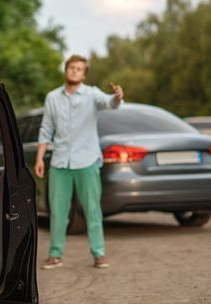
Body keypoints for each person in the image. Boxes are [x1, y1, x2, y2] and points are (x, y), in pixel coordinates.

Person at [34, 55, 124, 270]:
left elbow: (109, 103)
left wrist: (118, 97)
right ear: (66, 70)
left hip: (87, 161)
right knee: (58, 211)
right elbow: (46, 129)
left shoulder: (92, 94)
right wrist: (39, 158)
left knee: (93, 209)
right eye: (71, 68)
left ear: (84, 74)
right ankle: (55, 255)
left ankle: (99, 253)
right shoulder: (52, 98)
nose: (74, 71)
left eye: (78, 69)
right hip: (60, 163)